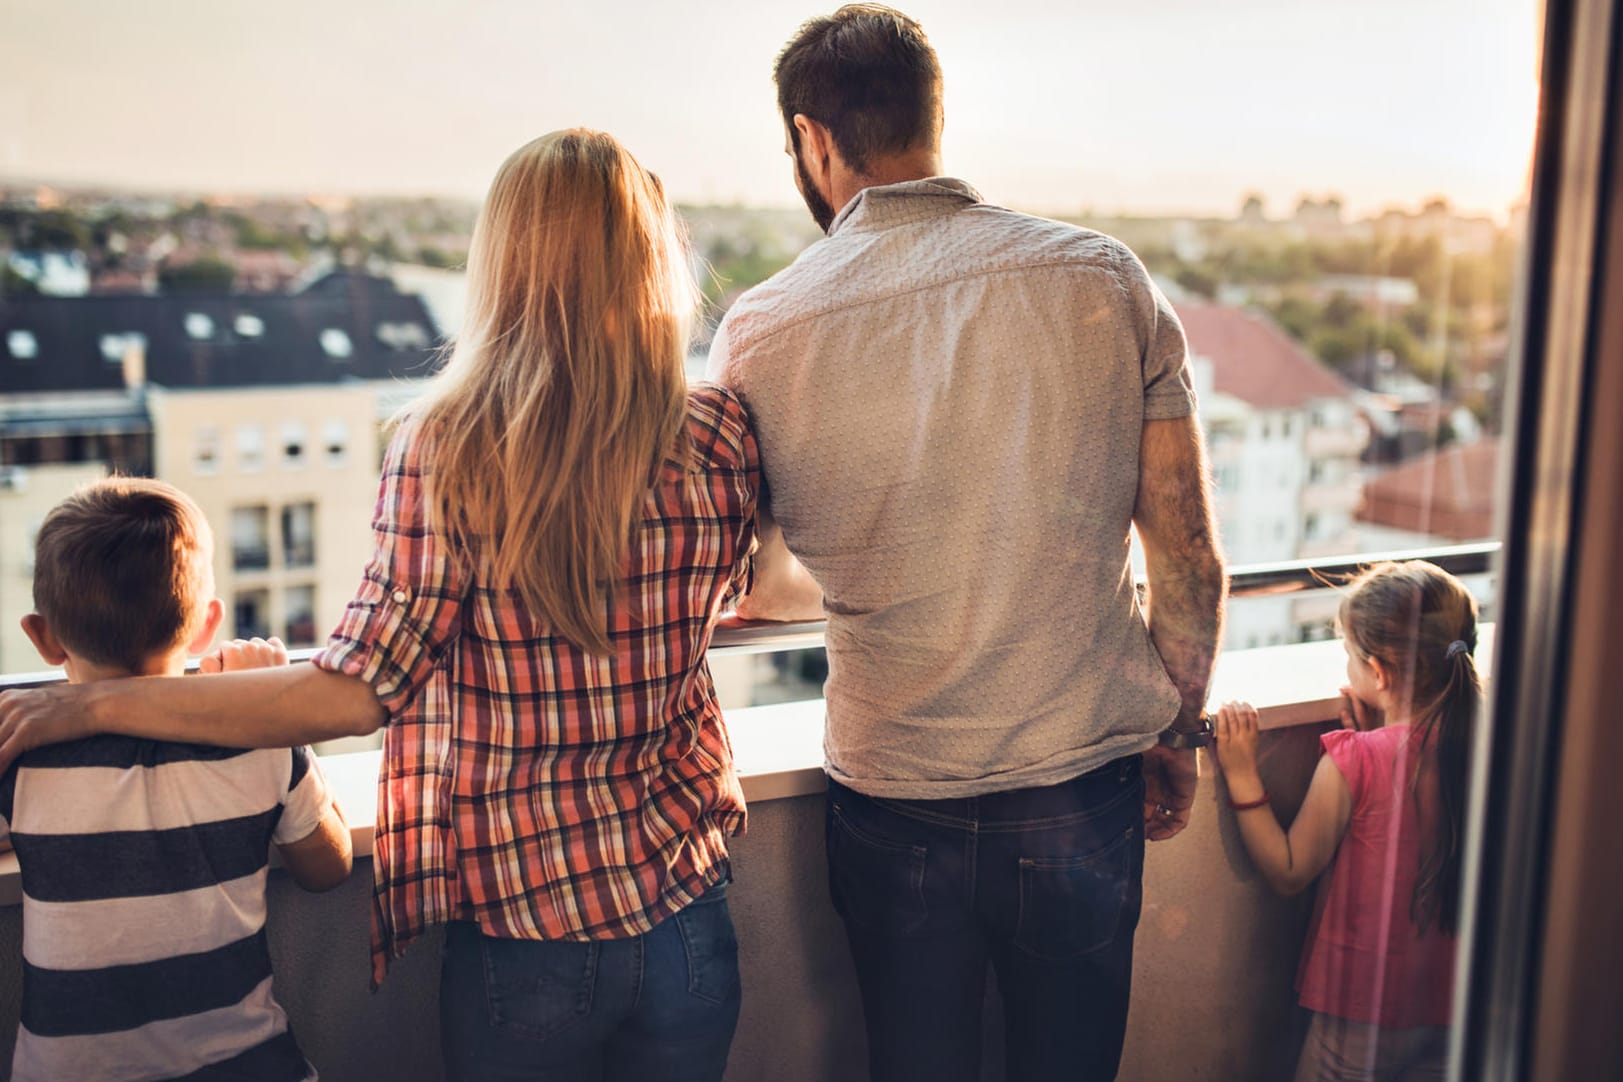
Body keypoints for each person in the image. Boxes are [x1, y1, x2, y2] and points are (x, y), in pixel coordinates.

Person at [0, 130, 758, 1082]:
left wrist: (91, 703)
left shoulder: (451, 444)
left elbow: (357, 691)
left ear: (505, 261)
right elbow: (736, 592)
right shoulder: (720, 430)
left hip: (534, 932)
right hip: (690, 915)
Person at [706, 6, 1227, 1080]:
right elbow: (1187, 554)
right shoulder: (1103, 276)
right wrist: (1177, 725)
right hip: (1083, 778)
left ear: (812, 137)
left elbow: (748, 582)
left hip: (894, 791)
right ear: (933, 119)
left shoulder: (759, 330)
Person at [0, 478, 351, 1082]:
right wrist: (275, 714)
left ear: (42, 637)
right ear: (205, 626)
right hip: (250, 1065)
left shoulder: (23, 759)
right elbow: (329, 867)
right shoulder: (256, 741)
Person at [1212, 560, 1479, 1082]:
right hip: (1462, 1001)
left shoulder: (1359, 759)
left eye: (1349, 656)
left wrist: (1242, 771)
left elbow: (1290, 870)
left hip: (1363, 1007)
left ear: (1378, 674)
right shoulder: (1499, 747)